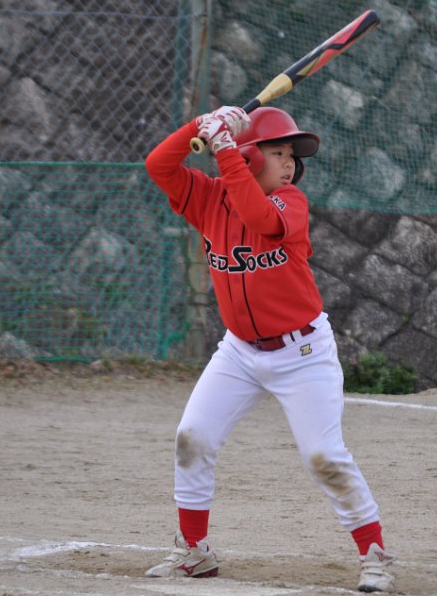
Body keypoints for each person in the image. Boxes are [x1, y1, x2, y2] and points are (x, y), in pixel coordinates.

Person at [142, 105, 396, 592]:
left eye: (291, 155)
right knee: (192, 437)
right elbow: (158, 165)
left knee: (324, 455)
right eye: (277, 152)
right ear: (250, 156)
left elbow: (257, 216)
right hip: (239, 351)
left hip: (303, 353)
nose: (289, 163)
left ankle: (375, 555)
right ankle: (194, 551)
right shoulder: (208, 198)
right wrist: (199, 126)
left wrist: (223, 151)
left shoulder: (290, 201)